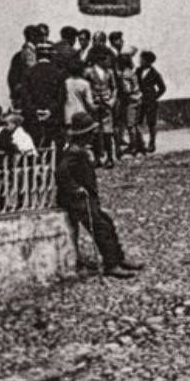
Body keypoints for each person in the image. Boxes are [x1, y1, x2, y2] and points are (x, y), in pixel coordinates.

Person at [56, 112, 144, 279]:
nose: (92, 136)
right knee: (101, 228)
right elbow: (61, 172)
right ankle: (111, 264)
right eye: (89, 133)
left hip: (86, 198)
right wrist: (75, 189)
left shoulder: (78, 150)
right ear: (83, 134)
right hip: (78, 201)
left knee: (107, 223)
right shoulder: (74, 152)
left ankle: (119, 258)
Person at [21, 45, 67, 149]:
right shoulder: (59, 74)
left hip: (33, 119)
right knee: (56, 150)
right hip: (54, 118)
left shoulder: (28, 73)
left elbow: (25, 97)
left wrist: (35, 110)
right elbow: (61, 97)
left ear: (37, 55)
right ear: (51, 55)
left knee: (35, 148)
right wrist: (49, 110)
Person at [136, 50, 166, 154]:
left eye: (142, 59)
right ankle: (139, 143)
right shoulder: (138, 71)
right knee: (138, 121)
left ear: (148, 61)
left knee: (151, 123)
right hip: (139, 100)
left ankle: (152, 143)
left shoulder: (154, 73)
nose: (140, 61)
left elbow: (162, 88)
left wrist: (154, 97)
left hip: (150, 101)